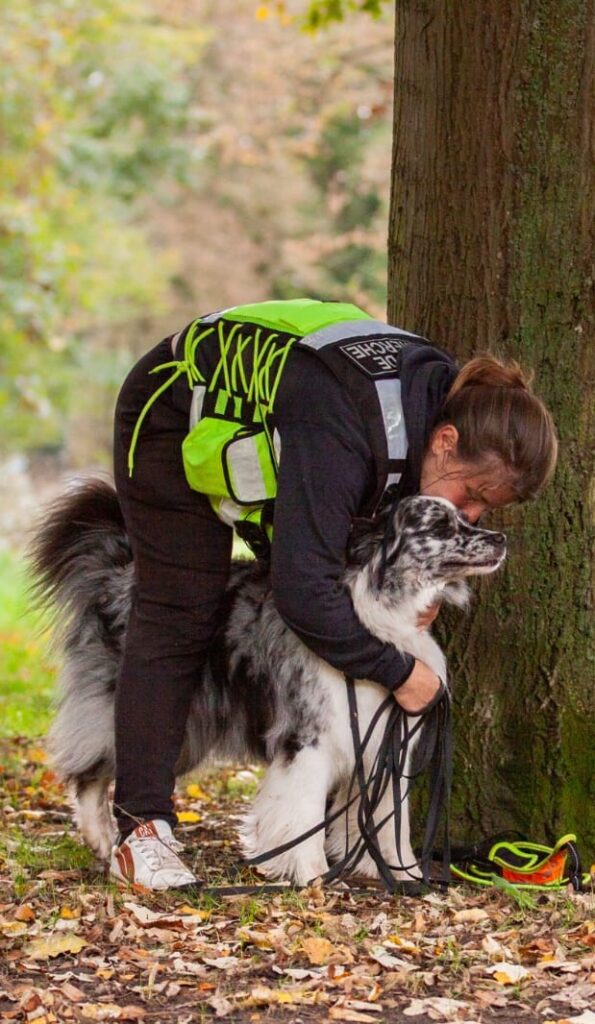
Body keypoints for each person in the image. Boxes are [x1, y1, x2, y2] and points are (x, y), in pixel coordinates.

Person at [109, 298, 557, 890]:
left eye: (484, 510)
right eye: (471, 495)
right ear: (446, 440)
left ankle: (351, 835)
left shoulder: (445, 414)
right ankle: (141, 829)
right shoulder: (349, 425)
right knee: (181, 610)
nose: (468, 515)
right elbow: (304, 591)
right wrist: (398, 672)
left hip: (280, 431)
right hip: (172, 413)